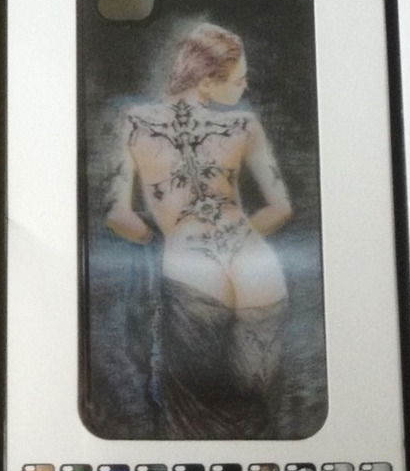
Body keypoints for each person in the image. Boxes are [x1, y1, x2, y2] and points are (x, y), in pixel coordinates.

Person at [105, 23, 293, 439]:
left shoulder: (133, 122)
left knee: (196, 416)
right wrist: (235, 234)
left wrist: (162, 240)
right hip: (257, 265)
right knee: (256, 410)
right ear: (207, 81)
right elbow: (281, 208)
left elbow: (117, 214)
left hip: (191, 268)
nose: (246, 86)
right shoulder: (245, 125)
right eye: (239, 79)